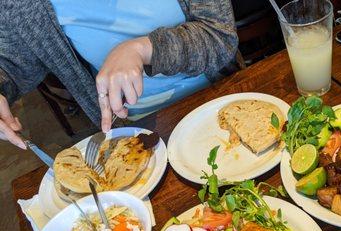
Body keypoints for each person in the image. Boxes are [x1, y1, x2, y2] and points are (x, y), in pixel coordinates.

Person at [0, 0, 239, 149]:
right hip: (133, 132)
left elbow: (220, 37)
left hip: (218, 99)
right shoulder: (22, 5)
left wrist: (143, 49)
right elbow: (11, 64)